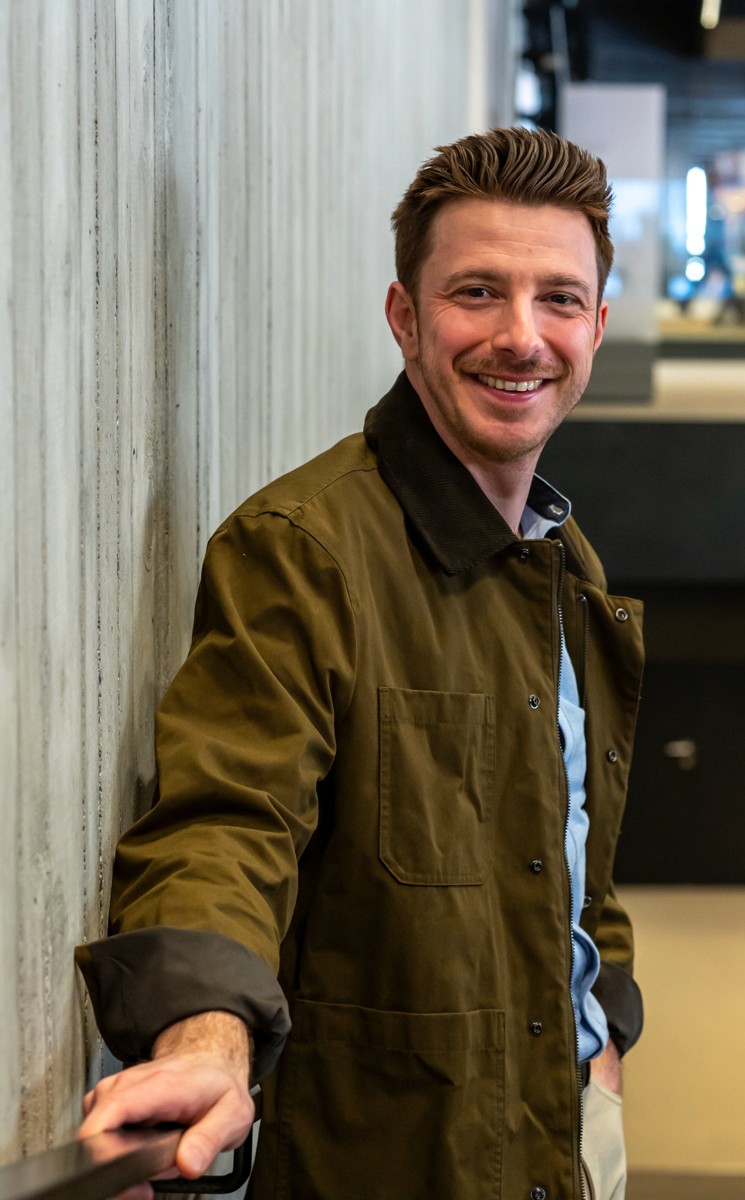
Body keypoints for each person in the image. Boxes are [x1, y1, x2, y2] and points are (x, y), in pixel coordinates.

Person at [76, 126, 644, 1200]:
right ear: (405, 317)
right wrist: (205, 1040)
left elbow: (579, 852)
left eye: (559, 300)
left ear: (597, 328)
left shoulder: (566, 558)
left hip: (567, 1130)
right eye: (477, 292)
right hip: (399, 1158)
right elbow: (226, 822)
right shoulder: (304, 549)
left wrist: (606, 1027)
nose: (521, 336)